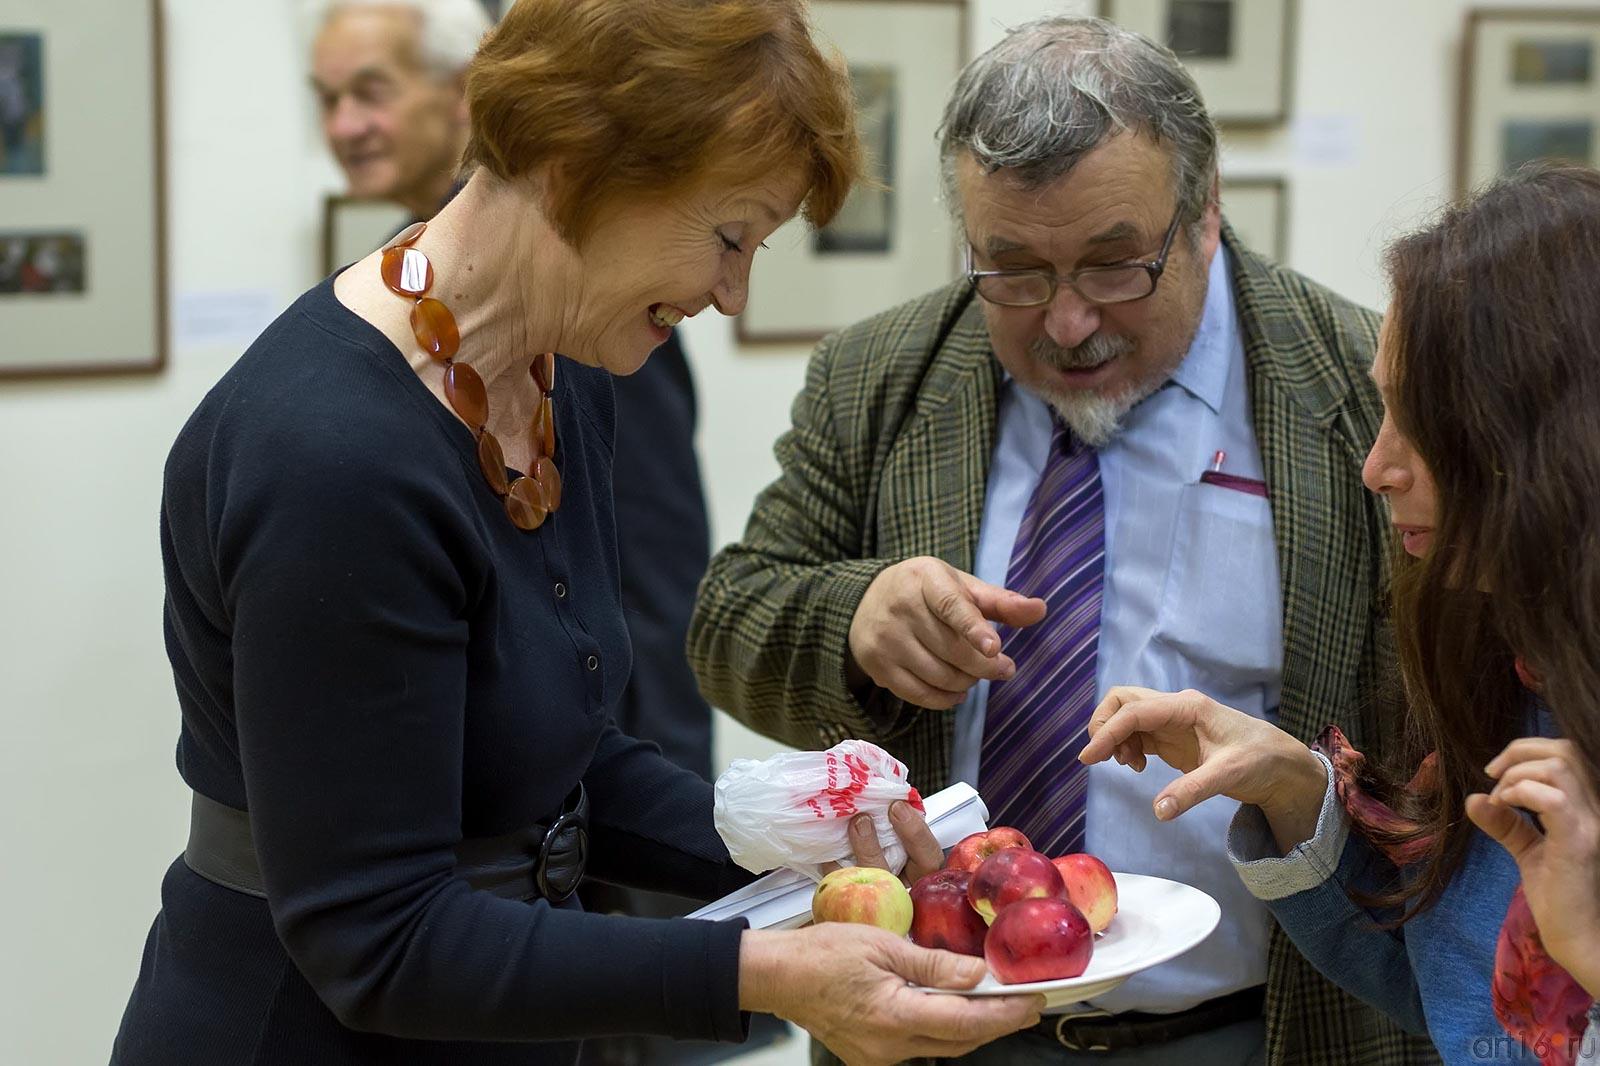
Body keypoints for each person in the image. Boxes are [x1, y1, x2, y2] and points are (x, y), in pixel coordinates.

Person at [108, 3, 1045, 1064]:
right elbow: (377, 937)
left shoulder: (563, 377)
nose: (732, 295)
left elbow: (563, 761)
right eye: (728, 236)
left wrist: (799, 847)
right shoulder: (336, 457)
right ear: (571, 166)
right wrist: (761, 967)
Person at [688, 15, 1436, 1066]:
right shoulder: (879, 378)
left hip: (1261, 1029)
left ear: (1205, 209)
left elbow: (1457, 738)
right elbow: (728, 621)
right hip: (932, 1026)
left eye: (1114, 264)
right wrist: (851, 619)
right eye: (1016, 272)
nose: (1069, 321)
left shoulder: (1359, 389)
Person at [1080, 163, 1600, 1064]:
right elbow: (1454, 998)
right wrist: (1289, 784)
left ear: (1549, 434)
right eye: (1381, 408)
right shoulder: (1521, 667)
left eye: (1418, 421)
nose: (1377, 466)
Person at [311, 10, 731, 1047]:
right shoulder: (388, 327)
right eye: (327, 101)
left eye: (371, 90)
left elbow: (653, 582)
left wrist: (672, 892)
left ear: (464, 96)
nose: (345, 126)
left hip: (582, 863)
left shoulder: (589, 324)